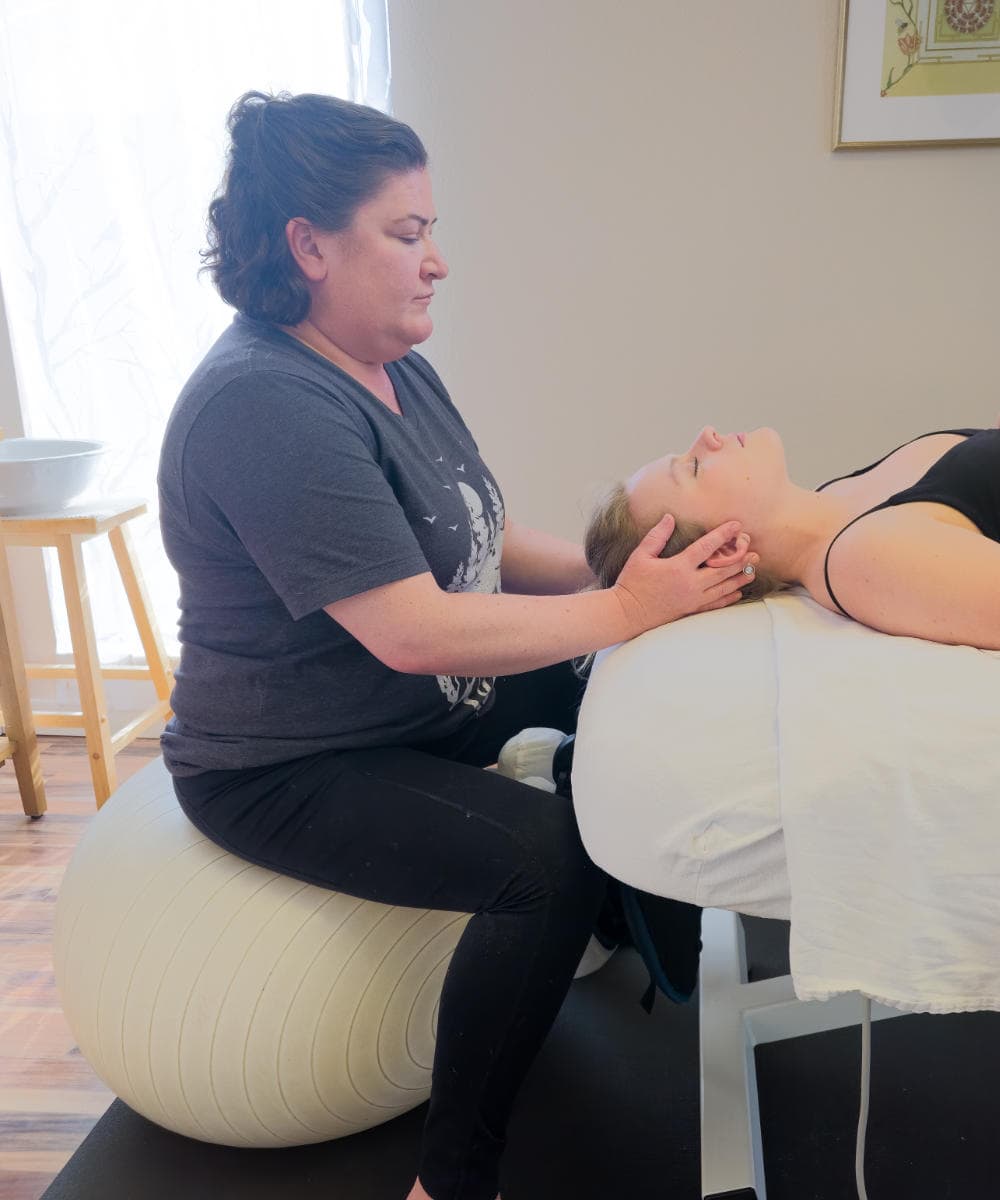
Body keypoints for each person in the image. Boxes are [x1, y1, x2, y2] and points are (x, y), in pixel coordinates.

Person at [156, 91, 758, 1200]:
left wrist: (624, 582)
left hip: (414, 708)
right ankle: (452, 1180)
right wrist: (629, 609)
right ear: (309, 247)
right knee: (544, 865)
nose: (437, 261)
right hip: (287, 764)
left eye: (432, 230)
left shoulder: (393, 367)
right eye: (407, 233)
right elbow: (410, 630)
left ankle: (661, 924)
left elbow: (483, 539)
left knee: (621, 672)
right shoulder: (264, 404)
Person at [585, 423, 1000, 651]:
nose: (708, 434)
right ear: (726, 549)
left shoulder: (834, 497)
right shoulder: (863, 560)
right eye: (693, 467)